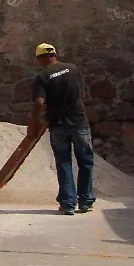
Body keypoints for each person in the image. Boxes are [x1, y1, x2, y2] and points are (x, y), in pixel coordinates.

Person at [30, 43, 95, 215]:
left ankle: (68, 204)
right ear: (55, 54)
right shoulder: (73, 69)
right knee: (86, 161)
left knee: (64, 163)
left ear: (41, 58)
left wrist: (34, 122)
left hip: (58, 125)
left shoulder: (43, 76)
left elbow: (39, 102)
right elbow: (82, 95)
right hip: (79, 122)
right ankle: (85, 201)